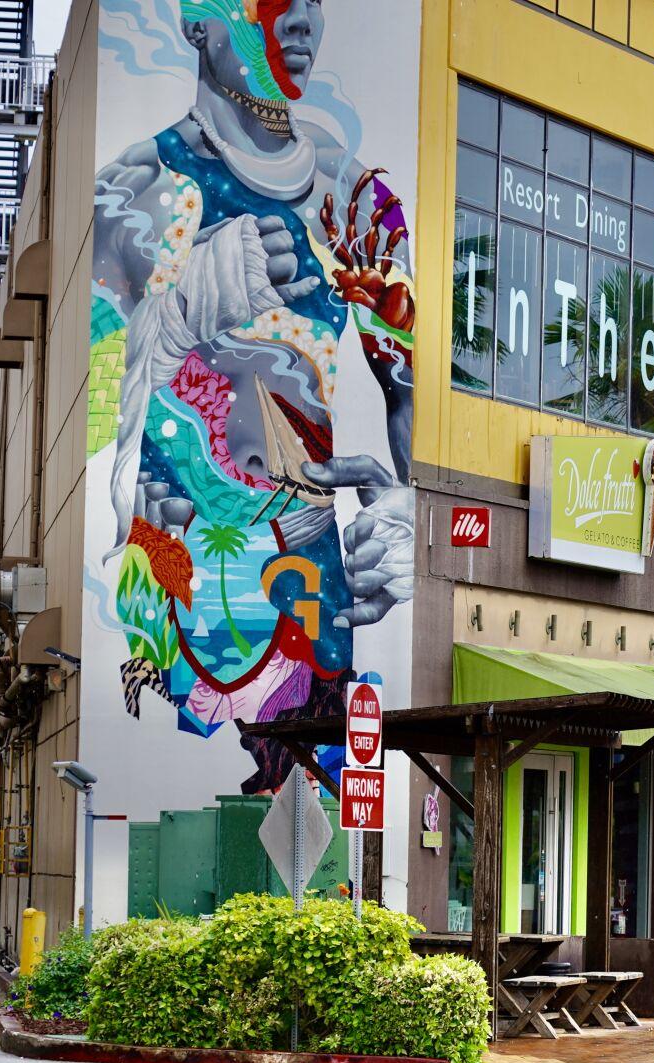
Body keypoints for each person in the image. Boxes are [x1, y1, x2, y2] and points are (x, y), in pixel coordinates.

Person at [91, 0, 413, 792]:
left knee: (315, 806)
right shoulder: (131, 194)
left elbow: (406, 396)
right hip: (173, 574)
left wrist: (408, 516)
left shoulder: (360, 203)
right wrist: (181, 312)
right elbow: (99, 413)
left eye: (313, 5)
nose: (299, 22)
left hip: (311, 567)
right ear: (198, 20)